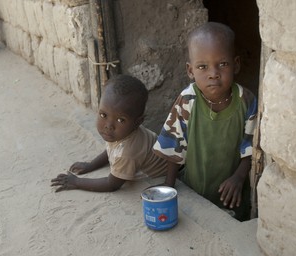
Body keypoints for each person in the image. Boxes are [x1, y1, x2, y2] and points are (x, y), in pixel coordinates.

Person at [153, 22, 257, 221]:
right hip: (195, 187)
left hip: (232, 192)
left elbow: (250, 146)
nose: (213, 73)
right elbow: (175, 145)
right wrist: (169, 186)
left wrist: (238, 177)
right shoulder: (187, 99)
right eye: (203, 66)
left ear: (236, 64)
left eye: (223, 64)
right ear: (190, 71)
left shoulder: (247, 100)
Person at [51, 74, 168, 192]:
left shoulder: (128, 153)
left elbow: (111, 184)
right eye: (103, 115)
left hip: (160, 175)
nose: (109, 126)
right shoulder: (123, 133)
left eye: (120, 120)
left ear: (138, 122)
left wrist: (76, 182)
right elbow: (111, 150)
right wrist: (90, 165)